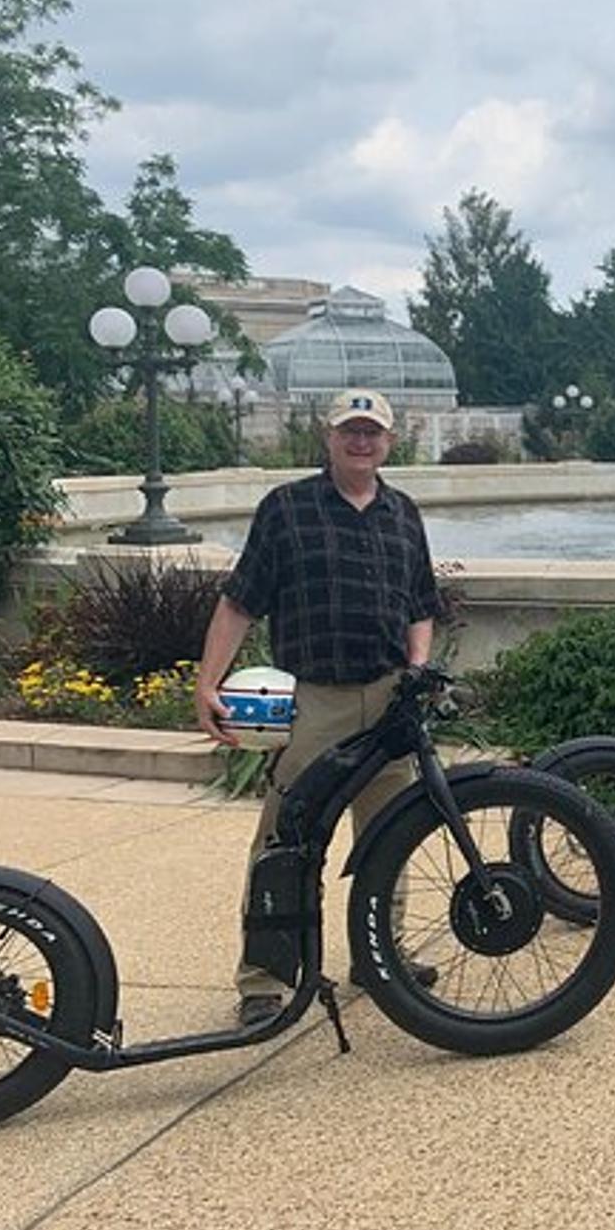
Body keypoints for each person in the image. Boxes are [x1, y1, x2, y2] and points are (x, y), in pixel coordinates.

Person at [193, 388, 445, 1027]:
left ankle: (378, 952)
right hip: (311, 702)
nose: (361, 442)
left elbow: (420, 604)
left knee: (392, 834)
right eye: (349, 431)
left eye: (373, 433)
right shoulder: (286, 509)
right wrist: (208, 684)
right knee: (284, 841)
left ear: (389, 441)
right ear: (328, 437)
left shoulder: (403, 512)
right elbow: (239, 601)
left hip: (389, 698)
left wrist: (416, 671)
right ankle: (264, 981)